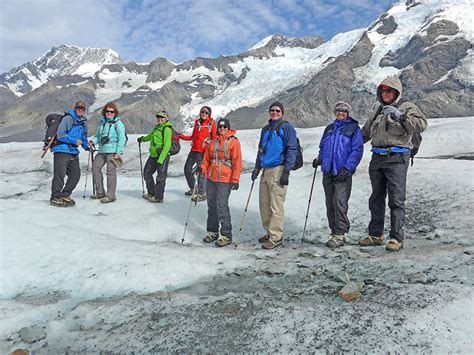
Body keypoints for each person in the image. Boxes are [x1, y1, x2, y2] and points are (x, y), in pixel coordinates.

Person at [359, 76, 427, 252]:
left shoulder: (407, 107)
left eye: (388, 90)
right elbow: (365, 133)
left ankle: (396, 238)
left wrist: (401, 117)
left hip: (397, 158)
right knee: (376, 198)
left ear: (396, 91)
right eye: (382, 90)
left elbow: (421, 124)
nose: (385, 93)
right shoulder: (378, 110)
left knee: (396, 199)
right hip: (377, 157)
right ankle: (376, 234)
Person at [313, 102, 363, 248]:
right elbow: (323, 147)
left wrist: (347, 168)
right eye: (338, 110)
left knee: (340, 202)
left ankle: (340, 233)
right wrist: (320, 159)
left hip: (342, 173)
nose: (341, 112)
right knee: (330, 203)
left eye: (344, 111)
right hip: (328, 171)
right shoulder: (329, 129)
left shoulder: (353, 129)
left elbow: (357, 150)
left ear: (348, 113)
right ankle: (334, 232)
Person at [251, 101, 298, 250]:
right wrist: (257, 167)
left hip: (279, 168)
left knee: (276, 204)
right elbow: (261, 150)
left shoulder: (286, 128)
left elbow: (292, 149)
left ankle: (276, 236)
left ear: (282, 113)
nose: (275, 113)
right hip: (266, 169)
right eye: (272, 110)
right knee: (264, 203)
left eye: (278, 110)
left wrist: (286, 172)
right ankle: (269, 232)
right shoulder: (265, 129)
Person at [196, 118, 242, 247]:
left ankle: (226, 235)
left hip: (225, 180)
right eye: (220, 127)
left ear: (228, 128)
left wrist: (235, 179)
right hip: (212, 177)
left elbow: (237, 162)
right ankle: (213, 231)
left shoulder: (234, 142)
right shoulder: (214, 142)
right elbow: (207, 159)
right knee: (212, 206)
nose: (222, 129)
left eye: (224, 127)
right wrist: (202, 167)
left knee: (221, 206)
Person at [50, 101, 90, 207]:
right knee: (60, 175)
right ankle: (55, 197)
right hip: (62, 150)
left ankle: (65, 194)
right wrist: (74, 141)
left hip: (73, 152)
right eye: (78, 108)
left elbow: (83, 139)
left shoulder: (82, 124)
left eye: (82, 108)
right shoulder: (68, 119)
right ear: (75, 108)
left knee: (75, 175)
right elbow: (60, 135)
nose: (80, 109)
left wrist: (88, 147)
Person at [88, 102, 127, 203]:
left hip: (112, 151)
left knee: (111, 172)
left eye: (111, 111)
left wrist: (119, 152)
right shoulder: (102, 123)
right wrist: (93, 141)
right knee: (95, 168)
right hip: (102, 150)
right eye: (107, 111)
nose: (109, 113)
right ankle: (100, 193)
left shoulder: (118, 124)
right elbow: (98, 136)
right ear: (104, 112)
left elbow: (122, 138)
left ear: (115, 113)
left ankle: (111, 196)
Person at [180, 106, 217, 202]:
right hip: (194, 150)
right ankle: (194, 188)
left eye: (206, 112)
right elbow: (193, 136)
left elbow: (214, 138)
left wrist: (207, 146)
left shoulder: (211, 124)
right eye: (202, 112)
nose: (204, 114)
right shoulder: (197, 123)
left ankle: (202, 193)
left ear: (209, 114)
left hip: (203, 152)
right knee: (187, 169)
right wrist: (181, 136)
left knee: (202, 172)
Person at [137, 110, 173, 203]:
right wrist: (142, 139)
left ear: (166, 119)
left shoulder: (167, 129)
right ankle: (151, 193)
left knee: (160, 177)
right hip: (153, 155)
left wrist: (161, 159)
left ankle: (158, 197)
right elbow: (150, 136)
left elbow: (167, 146)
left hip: (162, 156)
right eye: (158, 117)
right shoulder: (156, 128)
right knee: (147, 173)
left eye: (162, 117)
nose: (159, 119)